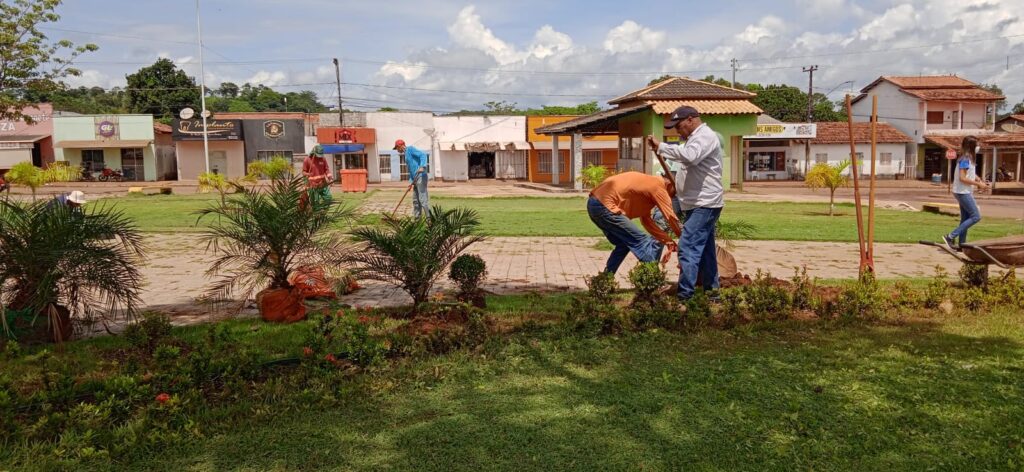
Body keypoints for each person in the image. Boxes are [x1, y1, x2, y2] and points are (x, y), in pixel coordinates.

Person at [646, 106, 724, 302]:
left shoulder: (705, 136)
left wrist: (661, 146)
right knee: (705, 249)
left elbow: (690, 155)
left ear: (691, 120)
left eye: (679, 126)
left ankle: (685, 297)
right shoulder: (694, 139)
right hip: (694, 203)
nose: (678, 131)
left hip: (704, 203)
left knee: (688, 246)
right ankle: (712, 293)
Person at [588, 171, 681, 274]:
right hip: (604, 205)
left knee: (623, 243)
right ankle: (654, 278)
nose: (675, 195)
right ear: (670, 184)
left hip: (594, 204)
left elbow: (647, 221)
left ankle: (606, 278)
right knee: (642, 242)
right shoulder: (658, 186)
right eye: (676, 190)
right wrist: (685, 238)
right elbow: (671, 217)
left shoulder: (649, 184)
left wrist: (668, 241)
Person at [943, 136, 989, 250]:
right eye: (977, 144)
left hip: (964, 191)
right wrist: (979, 185)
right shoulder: (965, 159)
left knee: (965, 218)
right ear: (971, 146)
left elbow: (969, 173)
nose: (978, 147)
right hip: (962, 192)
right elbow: (963, 178)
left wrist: (978, 179)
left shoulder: (969, 158)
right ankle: (950, 236)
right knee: (976, 216)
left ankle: (962, 244)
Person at [395, 139, 430, 218]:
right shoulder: (406, 154)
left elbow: (423, 155)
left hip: (421, 176)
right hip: (415, 179)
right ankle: (417, 221)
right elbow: (411, 169)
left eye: (397, 148)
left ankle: (429, 220)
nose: (397, 150)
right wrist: (411, 182)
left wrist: (422, 166)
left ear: (400, 146)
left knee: (423, 200)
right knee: (415, 201)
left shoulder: (410, 149)